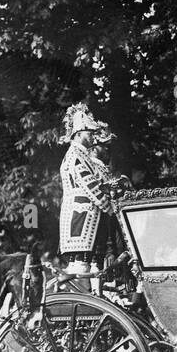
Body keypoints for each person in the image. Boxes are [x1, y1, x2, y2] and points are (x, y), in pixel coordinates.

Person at [59, 102, 121, 278]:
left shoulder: (81, 155)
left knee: (91, 266)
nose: (94, 137)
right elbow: (91, 186)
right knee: (80, 266)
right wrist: (111, 208)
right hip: (80, 216)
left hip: (87, 216)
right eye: (90, 133)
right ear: (78, 134)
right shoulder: (75, 156)